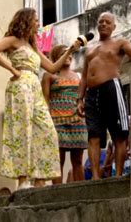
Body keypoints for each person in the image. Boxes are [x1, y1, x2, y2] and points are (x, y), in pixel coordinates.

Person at [0, 8, 82, 189]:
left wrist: (70, 50)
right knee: (23, 131)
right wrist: (12, 70)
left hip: (35, 87)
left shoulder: (33, 46)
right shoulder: (13, 40)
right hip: (20, 86)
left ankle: (39, 178)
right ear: (27, 20)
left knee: (47, 131)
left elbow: (52, 68)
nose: (38, 23)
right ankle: (22, 180)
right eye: (36, 20)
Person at [77, 12, 131, 181]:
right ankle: (96, 177)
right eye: (100, 22)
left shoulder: (120, 42)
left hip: (111, 88)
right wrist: (79, 99)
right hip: (91, 95)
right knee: (93, 135)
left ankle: (118, 175)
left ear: (114, 27)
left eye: (107, 22)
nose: (103, 24)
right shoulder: (90, 49)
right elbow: (83, 76)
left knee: (119, 134)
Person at [41, 45, 88, 184]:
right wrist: (47, 123)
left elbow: (82, 98)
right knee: (58, 161)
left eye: (70, 54)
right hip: (57, 123)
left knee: (78, 161)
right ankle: (57, 194)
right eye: (64, 53)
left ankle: (80, 191)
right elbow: (45, 101)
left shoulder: (78, 75)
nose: (68, 56)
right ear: (56, 56)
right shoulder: (49, 75)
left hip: (77, 122)